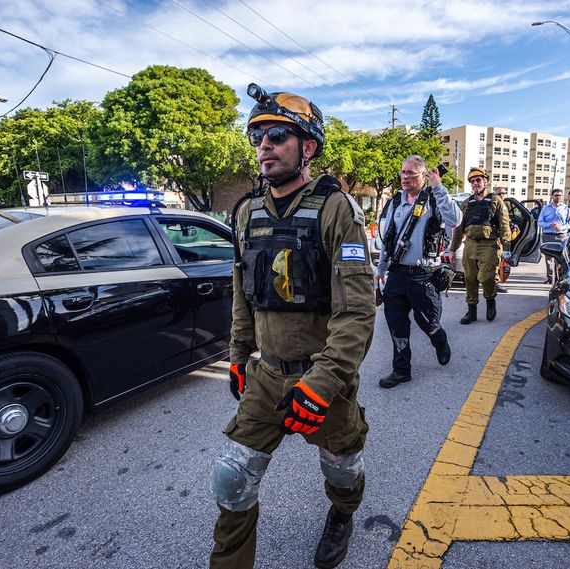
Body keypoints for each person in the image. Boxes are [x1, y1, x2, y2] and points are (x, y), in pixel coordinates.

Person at [210, 84, 375, 569]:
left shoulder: (336, 209)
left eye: (278, 135)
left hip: (323, 380)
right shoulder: (246, 212)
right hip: (265, 376)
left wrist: (322, 384)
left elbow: (358, 312)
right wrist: (239, 356)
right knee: (231, 479)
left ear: (308, 147)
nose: (264, 145)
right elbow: (245, 293)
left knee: (342, 473)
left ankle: (342, 515)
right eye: (257, 136)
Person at [375, 155, 459, 388]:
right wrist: (382, 267)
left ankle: (439, 339)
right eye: (403, 172)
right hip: (398, 274)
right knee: (396, 323)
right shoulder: (395, 202)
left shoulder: (434, 199)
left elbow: (455, 219)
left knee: (428, 322)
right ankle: (401, 370)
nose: (405, 176)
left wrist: (438, 187)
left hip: (424, 275)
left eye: (411, 173)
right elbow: (389, 238)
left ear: (423, 175)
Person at [451, 167, 511, 324]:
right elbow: (458, 228)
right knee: (469, 278)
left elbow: (505, 226)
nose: (475, 183)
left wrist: (507, 250)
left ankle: (490, 300)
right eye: (472, 181)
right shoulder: (466, 204)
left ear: (486, 181)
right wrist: (453, 249)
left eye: (478, 180)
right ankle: (472, 311)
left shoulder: (496, 202)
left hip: (489, 245)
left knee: (486, 277)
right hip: (470, 245)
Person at [537, 188, 570, 284]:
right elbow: (539, 223)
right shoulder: (545, 209)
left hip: (562, 236)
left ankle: (561, 278)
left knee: (562, 258)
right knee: (549, 258)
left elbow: (569, 223)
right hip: (548, 236)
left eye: (560, 195)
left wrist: (562, 228)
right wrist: (550, 224)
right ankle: (550, 278)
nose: (558, 197)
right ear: (552, 196)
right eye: (556, 195)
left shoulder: (566, 208)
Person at [493, 187, 511, 293]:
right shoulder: (496, 204)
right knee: (496, 261)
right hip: (495, 238)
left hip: (497, 238)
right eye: (501, 193)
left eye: (504, 193)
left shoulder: (501, 205)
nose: (503, 195)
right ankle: (495, 283)